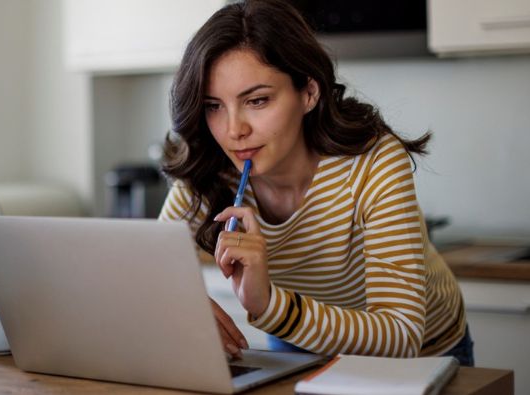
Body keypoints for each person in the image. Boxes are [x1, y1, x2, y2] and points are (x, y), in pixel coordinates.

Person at [157, 0, 473, 366]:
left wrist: (270, 306)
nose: (234, 131)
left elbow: (401, 333)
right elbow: (148, 273)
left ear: (308, 93)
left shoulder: (373, 161)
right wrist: (182, 304)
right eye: (213, 106)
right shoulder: (210, 167)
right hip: (300, 342)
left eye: (257, 100)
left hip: (423, 354)